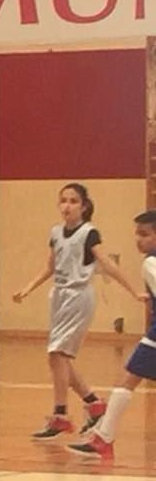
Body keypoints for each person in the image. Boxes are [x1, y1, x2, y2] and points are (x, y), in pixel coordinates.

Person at [10, 183, 145, 438]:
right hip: (59, 296)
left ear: (83, 206)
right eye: (63, 201)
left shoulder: (89, 233)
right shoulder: (56, 232)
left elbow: (106, 264)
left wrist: (134, 291)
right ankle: (94, 404)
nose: (67, 206)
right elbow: (50, 266)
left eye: (73, 201)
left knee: (57, 353)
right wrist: (27, 288)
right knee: (56, 357)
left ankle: (60, 414)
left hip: (79, 296)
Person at [68, 210, 156, 460]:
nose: (138, 239)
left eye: (145, 234)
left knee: (127, 378)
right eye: (136, 234)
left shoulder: (150, 262)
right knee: (128, 377)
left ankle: (103, 439)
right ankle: (103, 436)